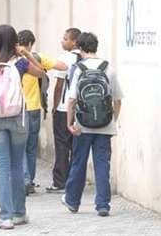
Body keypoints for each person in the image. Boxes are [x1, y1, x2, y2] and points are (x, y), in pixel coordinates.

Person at [0, 25, 44, 229]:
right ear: (15, 41)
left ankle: (4, 217)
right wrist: (26, 53)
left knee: (2, 167)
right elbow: (41, 73)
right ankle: (19, 213)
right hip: (18, 117)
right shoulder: (21, 63)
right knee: (17, 166)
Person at [62, 32, 123, 217]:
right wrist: (113, 120)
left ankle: (72, 201)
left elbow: (72, 100)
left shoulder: (78, 69)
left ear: (80, 49)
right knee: (102, 164)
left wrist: (70, 122)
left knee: (78, 163)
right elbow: (118, 100)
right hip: (105, 125)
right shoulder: (108, 69)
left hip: (82, 125)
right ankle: (103, 205)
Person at [17, 30, 67, 195]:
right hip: (35, 108)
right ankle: (29, 180)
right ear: (31, 43)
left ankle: (23, 179)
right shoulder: (37, 58)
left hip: (17, 109)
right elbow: (62, 66)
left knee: (20, 147)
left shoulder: (13, 60)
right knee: (31, 148)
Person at [46, 28, 82, 193]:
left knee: (61, 144)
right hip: (81, 109)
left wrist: (54, 106)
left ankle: (60, 181)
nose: (62, 41)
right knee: (76, 146)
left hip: (63, 107)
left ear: (74, 42)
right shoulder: (84, 58)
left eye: (65, 38)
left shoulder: (65, 58)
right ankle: (76, 181)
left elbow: (59, 85)